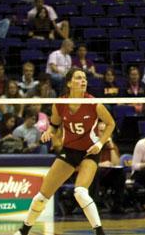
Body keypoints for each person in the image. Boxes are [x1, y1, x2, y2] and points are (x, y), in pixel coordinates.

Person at [13, 68, 115, 235]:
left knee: (80, 192)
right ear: (69, 83)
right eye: (78, 78)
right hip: (70, 151)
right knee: (41, 197)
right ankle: (23, 231)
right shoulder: (60, 103)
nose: (83, 81)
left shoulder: (94, 103)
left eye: (84, 78)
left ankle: (100, 232)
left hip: (89, 152)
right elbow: (54, 125)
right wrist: (49, 132)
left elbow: (111, 124)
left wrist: (101, 143)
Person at [94, 121, 126, 214]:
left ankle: (117, 205)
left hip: (105, 176)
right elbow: (84, 164)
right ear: (95, 133)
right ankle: (95, 205)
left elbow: (116, 164)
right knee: (96, 171)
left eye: (106, 132)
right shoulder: (90, 144)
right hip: (90, 176)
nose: (104, 134)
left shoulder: (112, 145)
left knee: (120, 173)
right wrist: (100, 164)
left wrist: (111, 147)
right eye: (101, 131)